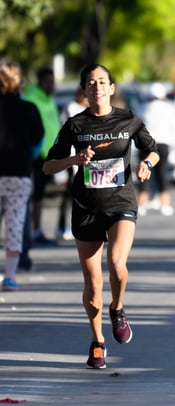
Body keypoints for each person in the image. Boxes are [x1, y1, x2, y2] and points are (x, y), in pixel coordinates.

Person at [43, 64, 159, 369]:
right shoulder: (75, 125)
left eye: (102, 82)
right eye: (90, 83)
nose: (96, 87)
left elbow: (153, 149)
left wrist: (147, 163)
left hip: (121, 202)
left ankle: (118, 309)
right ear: (84, 90)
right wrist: (74, 159)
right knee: (93, 287)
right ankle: (97, 342)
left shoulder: (128, 119)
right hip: (86, 208)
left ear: (111, 87)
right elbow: (48, 166)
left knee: (117, 266)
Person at [0, 59, 44, 290]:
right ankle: (10, 276)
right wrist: (28, 155)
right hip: (19, 173)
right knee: (15, 225)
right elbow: (39, 140)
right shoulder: (29, 109)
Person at [137, 82, 175, 216]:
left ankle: (142, 205)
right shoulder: (168, 108)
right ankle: (165, 204)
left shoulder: (142, 108)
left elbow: (136, 127)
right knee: (162, 174)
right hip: (163, 145)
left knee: (144, 173)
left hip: (145, 144)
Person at [24, 66, 61, 245]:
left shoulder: (49, 99)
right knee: (33, 195)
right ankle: (33, 231)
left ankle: (35, 231)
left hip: (49, 155)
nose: (50, 85)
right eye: (47, 82)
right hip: (35, 154)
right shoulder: (32, 99)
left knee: (38, 195)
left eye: (52, 82)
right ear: (39, 82)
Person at [56, 87, 89, 240]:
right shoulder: (72, 107)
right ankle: (63, 226)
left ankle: (83, 224)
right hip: (71, 158)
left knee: (85, 194)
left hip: (85, 159)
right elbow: (73, 131)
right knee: (70, 194)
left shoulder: (88, 109)